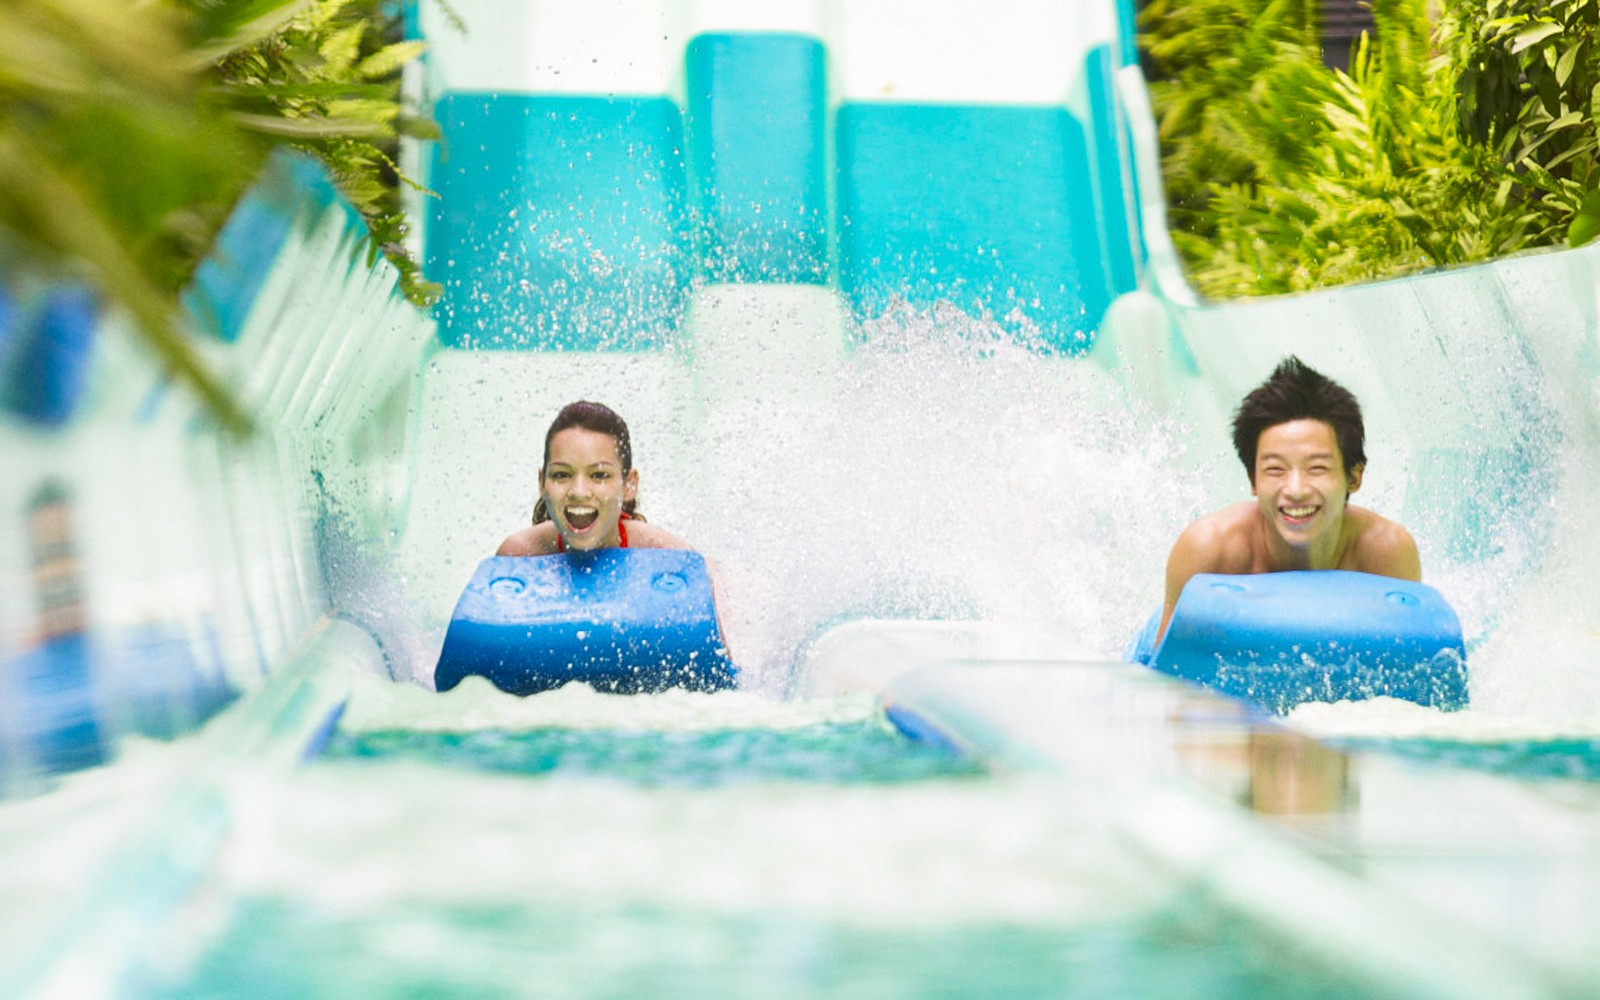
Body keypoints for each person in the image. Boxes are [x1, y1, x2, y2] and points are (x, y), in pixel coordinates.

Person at [1157, 356, 1420, 643]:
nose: (1295, 490)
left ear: (1354, 477)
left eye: (1316, 468)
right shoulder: (1211, 551)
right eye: (1275, 469)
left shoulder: (1385, 554)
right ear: (1253, 480)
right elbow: (1165, 668)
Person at [497, 400, 691, 555]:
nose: (579, 492)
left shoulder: (666, 555)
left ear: (629, 485)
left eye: (599, 475)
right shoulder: (519, 555)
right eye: (562, 475)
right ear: (542, 483)